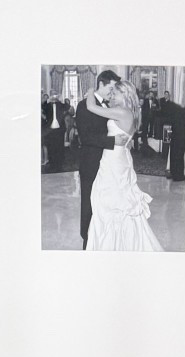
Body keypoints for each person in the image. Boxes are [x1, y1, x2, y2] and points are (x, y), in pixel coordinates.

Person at [83, 78, 162, 251]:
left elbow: (91, 107)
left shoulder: (121, 111)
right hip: (121, 157)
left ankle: (113, 244)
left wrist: (90, 91)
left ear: (124, 94)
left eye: (115, 92)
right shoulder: (129, 112)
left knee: (112, 201)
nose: (112, 94)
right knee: (119, 199)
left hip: (114, 159)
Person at [74, 69, 124, 247]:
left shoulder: (107, 106)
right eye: (110, 88)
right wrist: (113, 140)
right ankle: (87, 239)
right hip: (90, 162)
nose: (112, 92)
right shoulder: (83, 105)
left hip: (106, 163)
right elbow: (86, 137)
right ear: (101, 84)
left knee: (102, 202)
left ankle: (100, 239)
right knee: (89, 201)